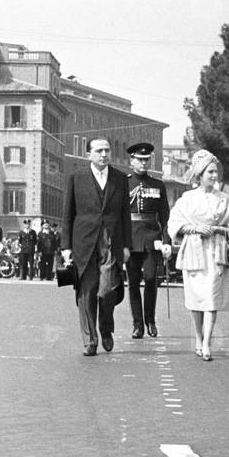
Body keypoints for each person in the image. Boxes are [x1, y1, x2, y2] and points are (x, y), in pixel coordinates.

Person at [60, 138, 132, 356]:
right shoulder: (76, 178)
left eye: (107, 150)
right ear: (88, 154)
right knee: (86, 292)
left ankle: (106, 327)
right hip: (83, 244)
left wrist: (127, 245)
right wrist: (65, 246)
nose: (104, 154)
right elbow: (68, 214)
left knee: (108, 290)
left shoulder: (120, 178)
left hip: (111, 242)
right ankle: (90, 340)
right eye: (99, 151)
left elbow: (125, 216)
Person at [168, 150, 229, 361]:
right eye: (209, 172)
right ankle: (198, 337)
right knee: (196, 299)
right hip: (194, 251)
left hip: (216, 252)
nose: (214, 175)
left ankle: (208, 342)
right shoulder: (187, 199)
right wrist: (195, 229)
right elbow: (174, 224)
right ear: (199, 175)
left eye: (215, 171)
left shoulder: (226, 200)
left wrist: (224, 230)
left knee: (211, 297)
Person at [125, 142, 171, 339]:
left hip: (152, 238)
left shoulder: (158, 185)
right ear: (131, 161)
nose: (143, 163)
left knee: (152, 279)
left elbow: (165, 217)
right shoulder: (123, 183)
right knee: (133, 283)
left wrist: (166, 240)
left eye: (146, 160)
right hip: (131, 238)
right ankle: (137, 325)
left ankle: (150, 320)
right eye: (139, 160)